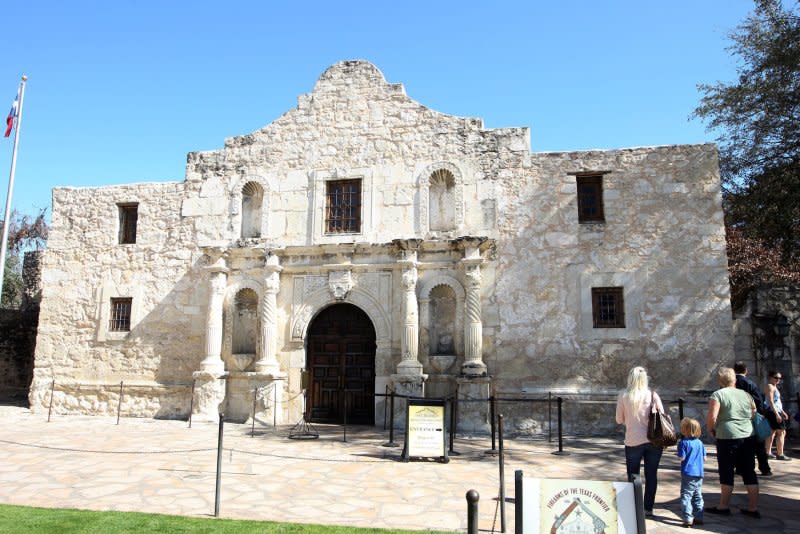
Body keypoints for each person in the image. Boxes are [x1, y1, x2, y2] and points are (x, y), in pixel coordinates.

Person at [706, 367, 759, 518]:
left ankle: (723, 506)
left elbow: (712, 416)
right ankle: (753, 508)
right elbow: (754, 413)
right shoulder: (746, 395)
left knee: (727, 470)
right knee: (749, 471)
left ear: (720, 381)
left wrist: (711, 429)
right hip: (748, 435)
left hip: (727, 436)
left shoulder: (718, 394)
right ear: (734, 379)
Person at [616, 366, 664, 517]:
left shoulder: (624, 395)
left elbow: (619, 419)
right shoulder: (653, 395)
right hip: (653, 441)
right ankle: (648, 508)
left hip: (633, 440)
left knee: (633, 475)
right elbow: (662, 416)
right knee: (651, 475)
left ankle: (634, 505)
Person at [733, 361, 771, 475]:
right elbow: (758, 401)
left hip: (736, 417)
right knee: (759, 444)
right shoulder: (750, 383)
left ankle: (740, 468)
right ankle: (764, 469)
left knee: (740, 444)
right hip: (751, 417)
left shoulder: (730, 384)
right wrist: (760, 414)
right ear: (746, 370)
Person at [677, 417, 706, 528]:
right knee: (697, 495)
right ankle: (699, 516)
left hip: (688, 473)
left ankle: (688, 518)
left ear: (684, 430)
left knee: (686, 496)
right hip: (699, 473)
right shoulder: (700, 443)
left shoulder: (683, 443)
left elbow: (682, 458)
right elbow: (704, 459)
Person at [764, 370, 791, 461]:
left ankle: (768, 452)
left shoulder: (774, 387)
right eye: (776, 377)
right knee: (781, 432)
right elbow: (771, 401)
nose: (778, 379)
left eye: (779, 378)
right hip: (773, 412)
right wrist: (777, 414)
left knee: (772, 432)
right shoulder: (770, 387)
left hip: (775, 411)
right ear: (771, 377)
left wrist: (782, 412)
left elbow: (776, 402)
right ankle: (780, 454)